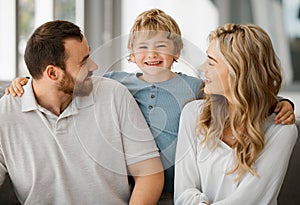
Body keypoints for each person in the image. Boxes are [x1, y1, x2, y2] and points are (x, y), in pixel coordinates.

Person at [5, 9, 296, 204]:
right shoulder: (115, 83)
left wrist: (279, 103)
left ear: (177, 52)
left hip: (171, 189)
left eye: (161, 46)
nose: (152, 54)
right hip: (165, 191)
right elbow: (55, 81)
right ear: (131, 54)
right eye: (143, 47)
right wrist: (27, 83)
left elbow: (242, 96)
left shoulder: (195, 89)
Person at [0, 20, 164, 205]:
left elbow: (150, 174)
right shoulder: (5, 114)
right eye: (84, 61)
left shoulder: (114, 95)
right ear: (52, 73)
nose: (94, 66)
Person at [174, 23, 298, 205]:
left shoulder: (281, 130)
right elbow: (183, 192)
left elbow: (250, 200)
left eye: (211, 61)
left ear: (237, 71)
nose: (202, 67)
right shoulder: (194, 114)